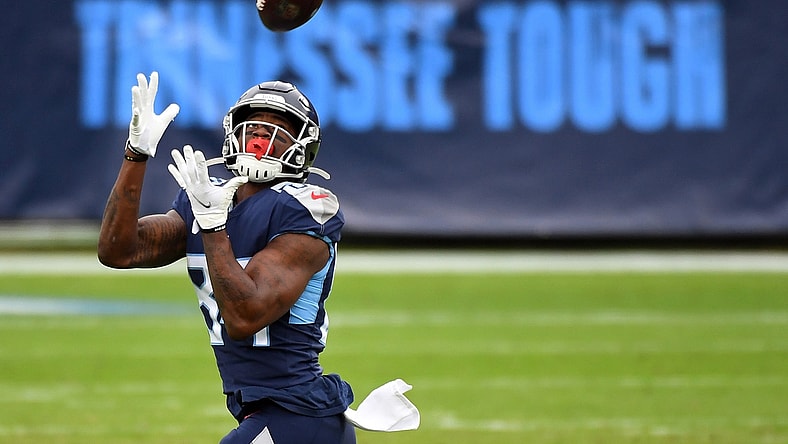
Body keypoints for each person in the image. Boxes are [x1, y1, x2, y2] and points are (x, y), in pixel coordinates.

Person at [97, 71, 356, 444]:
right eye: (253, 128)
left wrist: (213, 227)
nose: (260, 139)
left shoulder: (305, 208)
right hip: (272, 412)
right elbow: (118, 250)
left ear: (302, 147)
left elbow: (244, 316)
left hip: (297, 414)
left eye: (277, 132)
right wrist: (135, 154)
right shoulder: (208, 199)